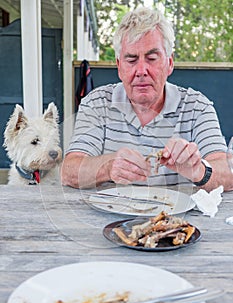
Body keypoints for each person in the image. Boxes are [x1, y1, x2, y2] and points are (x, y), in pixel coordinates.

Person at [61, 7, 232, 191]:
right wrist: (108, 167)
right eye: (131, 60)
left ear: (169, 63)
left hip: (178, 219)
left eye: (151, 58)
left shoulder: (198, 107)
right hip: (106, 217)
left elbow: (227, 173)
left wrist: (197, 170)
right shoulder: (96, 103)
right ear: (119, 66)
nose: (141, 70)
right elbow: (69, 170)